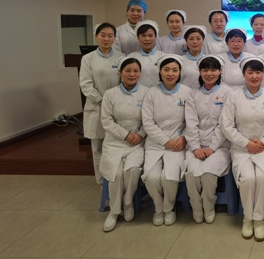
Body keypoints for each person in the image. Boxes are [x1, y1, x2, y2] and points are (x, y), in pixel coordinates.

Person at [220, 57, 264, 241]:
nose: (254, 76)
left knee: (262, 177)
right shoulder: (233, 96)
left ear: (263, 74)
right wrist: (246, 143)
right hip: (240, 147)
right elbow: (227, 126)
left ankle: (258, 220)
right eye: (250, 72)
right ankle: (247, 218)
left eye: (258, 72)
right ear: (243, 74)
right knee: (247, 178)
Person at [99, 56, 148, 232]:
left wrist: (140, 134)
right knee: (116, 173)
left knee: (132, 170)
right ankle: (114, 211)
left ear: (140, 73)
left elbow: (150, 119)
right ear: (120, 72)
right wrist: (125, 135)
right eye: (128, 70)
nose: (132, 74)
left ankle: (128, 203)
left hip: (137, 142)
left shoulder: (146, 93)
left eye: (135, 71)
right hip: (115, 142)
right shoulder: (110, 94)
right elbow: (106, 121)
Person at [141, 55, 190, 226]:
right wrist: (166, 141)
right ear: (160, 72)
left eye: (175, 70)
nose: (170, 74)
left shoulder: (186, 92)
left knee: (169, 177)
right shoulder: (151, 93)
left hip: (178, 143)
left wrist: (183, 137)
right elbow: (148, 123)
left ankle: (168, 208)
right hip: (156, 143)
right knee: (151, 177)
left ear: (180, 73)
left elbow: (192, 120)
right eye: (166, 70)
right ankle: (158, 207)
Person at [184, 55, 232, 224]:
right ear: (200, 71)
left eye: (213, 69)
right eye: (205, 70)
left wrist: (212, 147)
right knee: (191, 173)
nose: (209, 73)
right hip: (196, 145)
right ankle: (196, 207)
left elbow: (224, 124)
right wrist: (196, 147)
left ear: (220, 71)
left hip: (220, 146)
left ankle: (209, 206)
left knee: (208, 173)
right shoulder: (193, 94)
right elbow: (191, 123)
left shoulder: (227, 93)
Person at [79, 22, 124, 184]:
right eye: (103, 35)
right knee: (98, 147)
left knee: (116, 145)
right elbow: (85, 84)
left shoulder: (121, 57)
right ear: (96, 36)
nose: (106, 39)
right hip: (96, 107)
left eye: (110, 36)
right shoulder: (88, 58)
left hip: (117, 108)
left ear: (114, 38)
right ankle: (101, 182)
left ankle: (115, 180)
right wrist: (101, 100)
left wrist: (115, 102)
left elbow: (125, 81)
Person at [129, 20, 165, 88]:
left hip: (158, 93)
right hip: (138, 93)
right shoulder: (131, 57)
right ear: (138, 37)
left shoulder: (163, 57)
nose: (147, 39)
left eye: (150, 35)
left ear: (156, 37)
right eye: (143, 35)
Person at [180, 25, 208, 90]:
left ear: (203, 40)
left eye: (198, 39)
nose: (195, 42)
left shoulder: (208, 60)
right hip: (184, 94)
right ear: (186, 41)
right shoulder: (180, 60)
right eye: (191, 39)